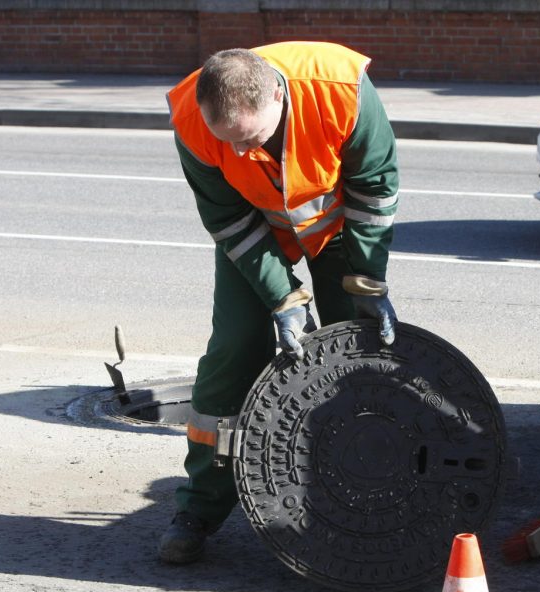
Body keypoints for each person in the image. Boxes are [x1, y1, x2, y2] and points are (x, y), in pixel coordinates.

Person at [158, 41, 400, 563]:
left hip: (336, 232)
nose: (242, 154)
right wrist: (283, 297)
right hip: (254, 234)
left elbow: (374, 191)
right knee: (233, 352)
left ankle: (356, 495)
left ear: (276, 94)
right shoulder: (191, 119)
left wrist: (368, 285)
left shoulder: (343, 91)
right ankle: (199, 507)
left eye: (252, 138)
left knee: (353, 354)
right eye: (231, 143)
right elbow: (227, 221)